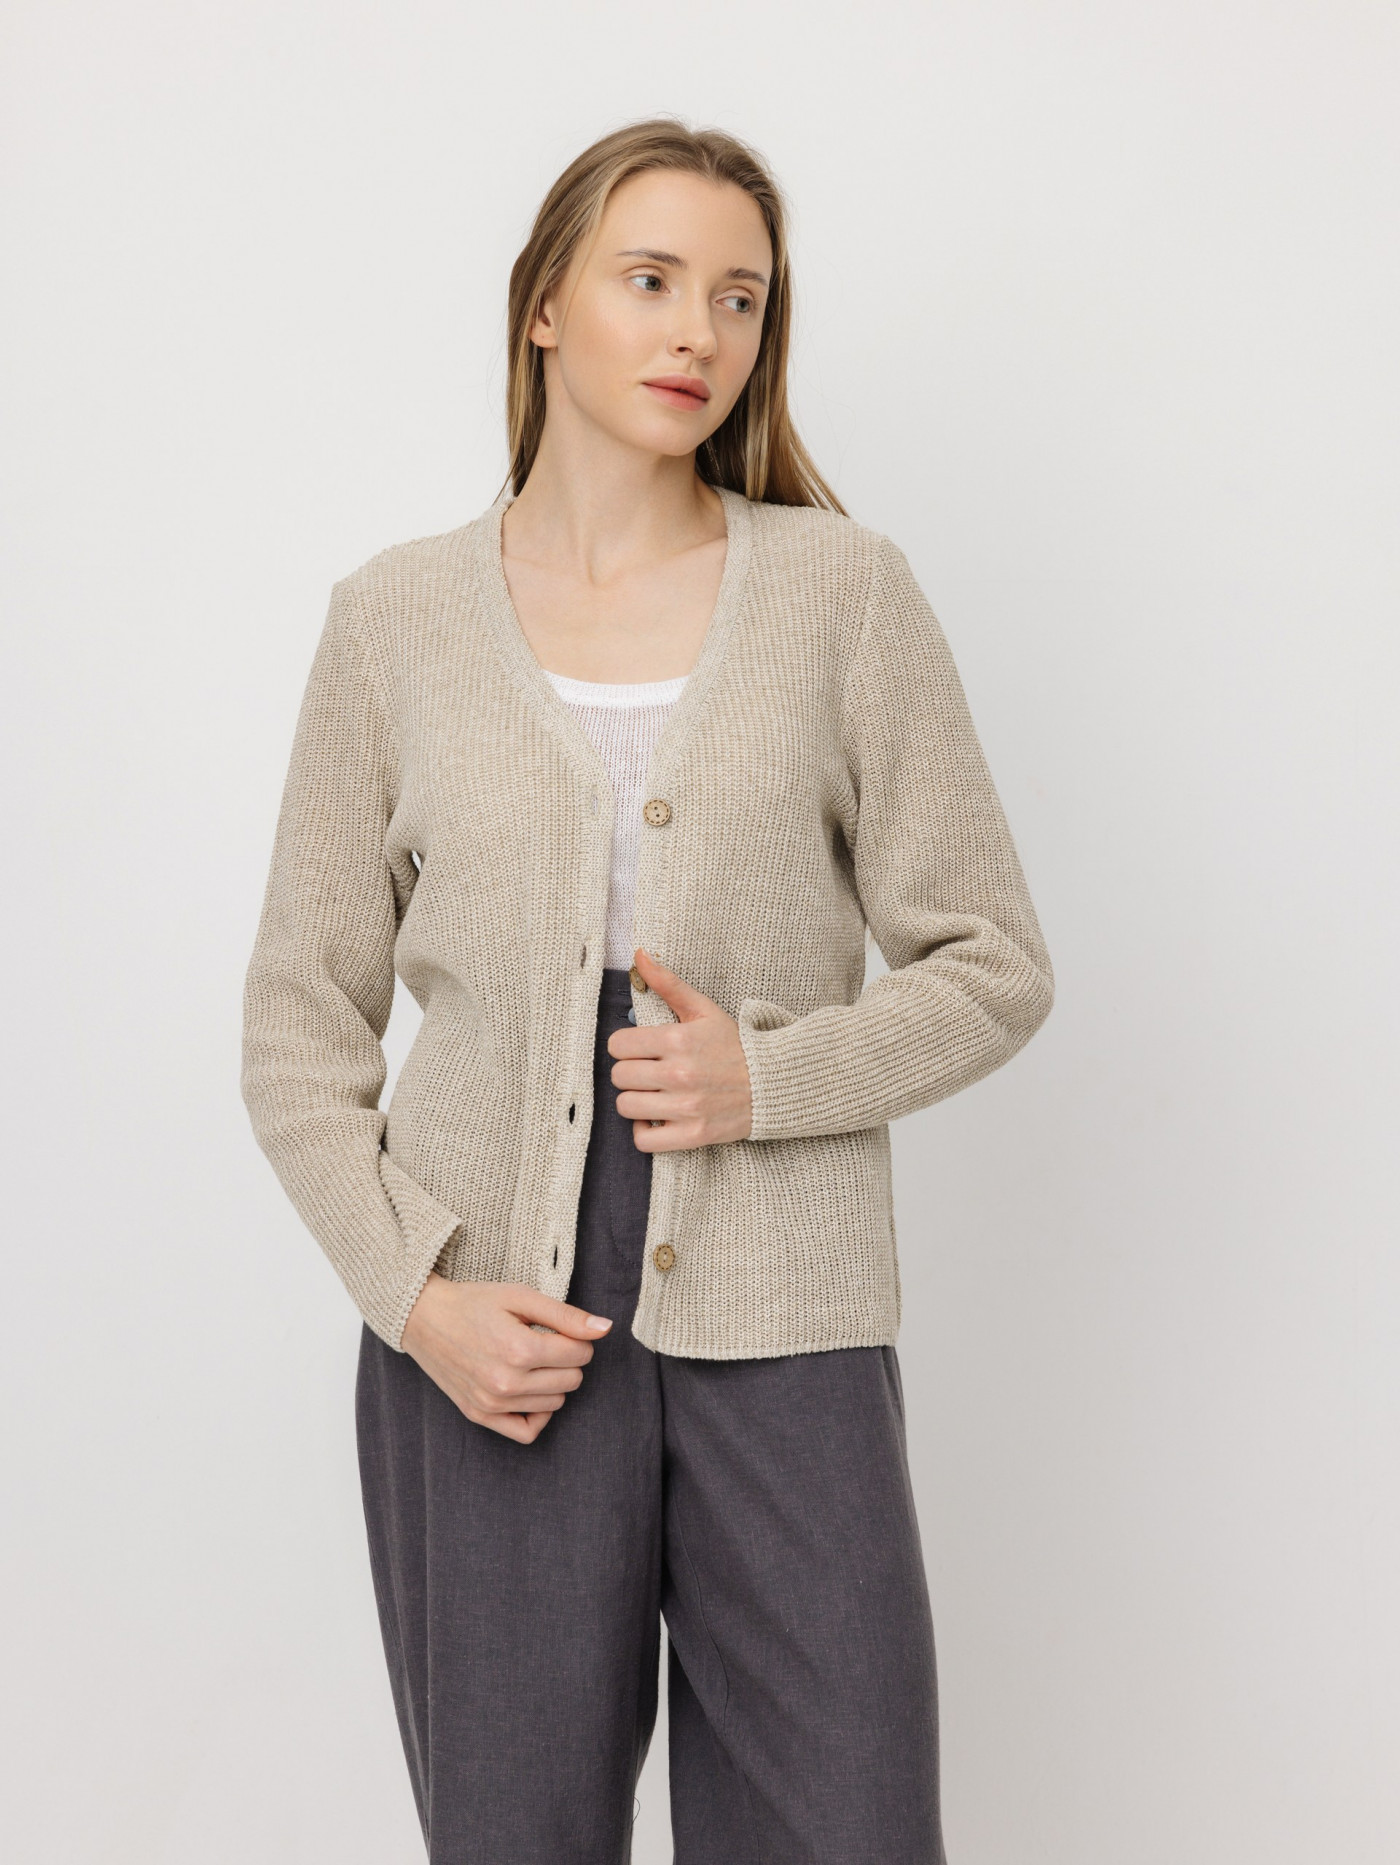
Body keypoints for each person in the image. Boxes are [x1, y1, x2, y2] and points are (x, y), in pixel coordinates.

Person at [241, 116, 1054, 1865]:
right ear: (546, 304)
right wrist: (417, 1296)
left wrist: (773, 1076)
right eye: (654, 280)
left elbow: (994, 960)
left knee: (848, 1823)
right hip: (495, 1329)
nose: (701, 332)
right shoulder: (391, 622)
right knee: (515, 1830)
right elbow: (297, 1028)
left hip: (790, 1311)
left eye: (741, 297)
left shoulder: (843, 593)